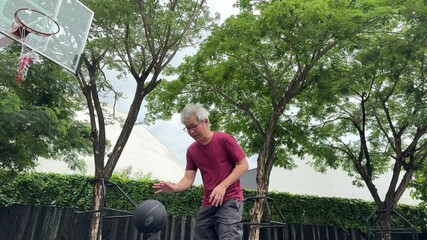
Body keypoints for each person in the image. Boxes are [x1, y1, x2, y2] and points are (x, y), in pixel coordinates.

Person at [152, 103, 249, 240]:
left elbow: (243, 165)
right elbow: (188, 178)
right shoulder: (192, 150)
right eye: (187, 128)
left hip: (229, 200)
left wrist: (223, 185)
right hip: (208, 204)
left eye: (194, 126)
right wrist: (174, 187)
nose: (191, 131)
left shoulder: (223, 139)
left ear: (206, 122)